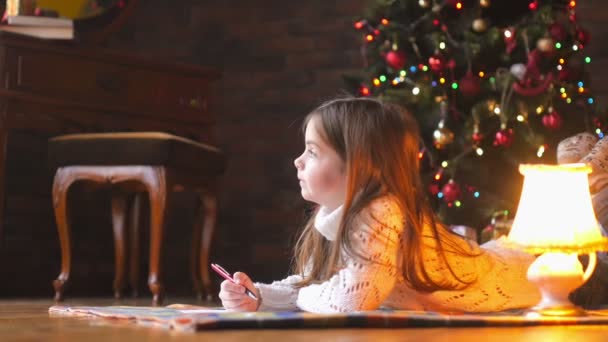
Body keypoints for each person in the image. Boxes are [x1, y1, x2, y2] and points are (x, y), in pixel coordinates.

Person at [219, 97, 540, 313]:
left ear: (361, 166)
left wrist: (299, 297)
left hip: (531, 275)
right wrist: (258, 296)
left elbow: (351, 297)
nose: (297, 161)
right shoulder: (336, 216)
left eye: (313, 152)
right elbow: (315, 283)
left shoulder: (382, 212)